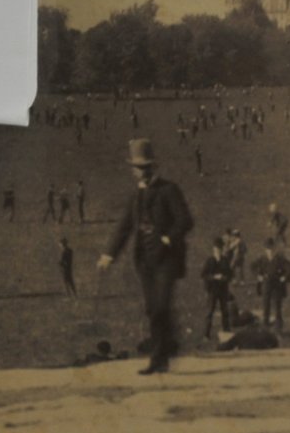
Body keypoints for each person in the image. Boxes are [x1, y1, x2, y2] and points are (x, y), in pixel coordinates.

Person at [98, 139, 194, 375]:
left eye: (145, 167)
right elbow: (124, 228)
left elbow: (185, 220)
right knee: (153, 309)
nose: (141, 172)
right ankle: (161, 356)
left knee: (161, 307)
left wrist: (167, 239)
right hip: (144, 261)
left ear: (153, 167)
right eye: (137, 167)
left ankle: (162, 353)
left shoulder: (169, 190)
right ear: (132, 169)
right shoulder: (135, 196)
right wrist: (108, 255)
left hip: (166, 260)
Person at [252, 238, 290, 332]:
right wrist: (258, 275)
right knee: (266, 306)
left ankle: (278, 329)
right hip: (266, 284)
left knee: (277, 307)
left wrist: (285, 277)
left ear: (274, 248)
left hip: (277, 285)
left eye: (271, 249)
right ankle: (265, 328)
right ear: (265, 250)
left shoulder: (279, 259)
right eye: (268, 249)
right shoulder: (262, 259)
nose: (270, 251)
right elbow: (252, 267)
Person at [201, 237, 234, 339]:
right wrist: (214, 277)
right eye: (216, 249)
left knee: (225, 311)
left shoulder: (225, 260)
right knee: (210, 312)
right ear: (213, 250)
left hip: (223, 290)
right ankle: (206, 334)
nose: (218, 251)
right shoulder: (209, 261)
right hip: (212, 290)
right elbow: (203, 275)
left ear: (221, 250)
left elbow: (230, 274)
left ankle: (227, 331)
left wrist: (224, 278)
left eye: (219, 249)